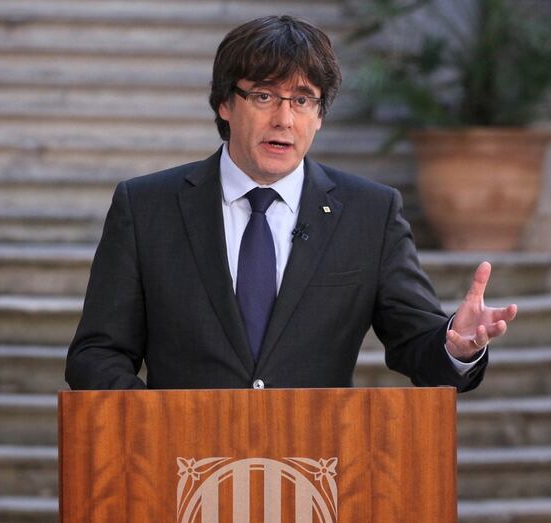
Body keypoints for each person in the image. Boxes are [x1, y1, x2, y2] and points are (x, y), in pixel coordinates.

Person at [65, 15, 517, 391]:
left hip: (315, 470)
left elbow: (416, 344)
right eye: (263, 96)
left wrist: (457, 345)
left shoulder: (369, 214)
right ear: (225, 102)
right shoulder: (146, 207)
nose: (284, 119)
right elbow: (97, 353)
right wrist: (160, 420)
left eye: (302, 100)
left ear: (319, 116)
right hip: (184, 471)